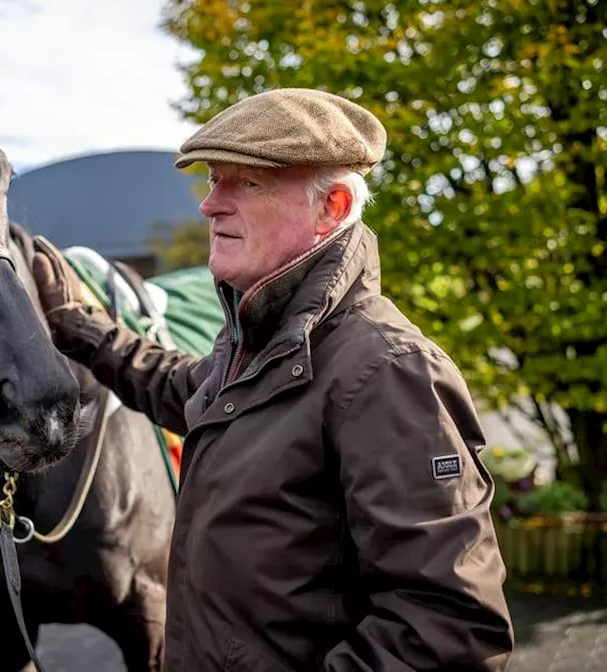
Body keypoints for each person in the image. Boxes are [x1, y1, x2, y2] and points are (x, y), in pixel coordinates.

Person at [29, 88, 515, 671]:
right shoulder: (259, 344)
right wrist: (79, 328)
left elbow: (449, 629)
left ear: (331, 208)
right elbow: (181, 388)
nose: (210, 205)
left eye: (247, 183)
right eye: (213, 181)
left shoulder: (389, 373)